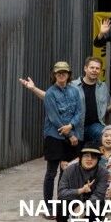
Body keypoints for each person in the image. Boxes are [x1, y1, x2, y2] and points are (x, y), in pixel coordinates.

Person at [38, 61, 83, 210]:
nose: (61, 75)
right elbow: (53, 117)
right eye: (59, 72)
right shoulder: (50, 93)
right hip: (54, 136)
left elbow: (79, 112)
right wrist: (69, 134)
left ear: (69, 74)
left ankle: (63, 203)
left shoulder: (75, 91)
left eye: (64, 72)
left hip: (71, 133)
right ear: (54, 75)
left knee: (67, 172)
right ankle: (48, 205)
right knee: (51, 172)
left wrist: (71, 126)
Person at [51, 146, 108, 222]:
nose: (89, 159)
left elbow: (99, 195)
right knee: (61, 202)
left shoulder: (103, 172)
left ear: (98, 160)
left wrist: (84, 206)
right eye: (86, 156)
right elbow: (61, 192)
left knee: (101, 204)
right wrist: (80, 190)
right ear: (80, 158)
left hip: (91, 203)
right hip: (74, 200)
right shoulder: (69, 170)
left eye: (93, 157)